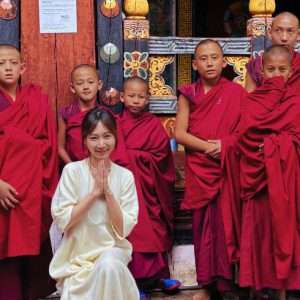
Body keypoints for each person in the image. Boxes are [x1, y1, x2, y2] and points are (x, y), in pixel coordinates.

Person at [175, 39, 245, 300]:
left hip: (227, 169)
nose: (209, 62)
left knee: (227, 226)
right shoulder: (188, 94)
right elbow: (180, 134)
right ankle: (206, 284)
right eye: (203, 58)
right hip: (201, 169)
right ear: (194, 64)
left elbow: (246, 132)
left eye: (214, 57)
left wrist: (226, 144)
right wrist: (209, 148)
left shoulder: (237, 94)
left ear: (224, 62)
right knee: (202, 227)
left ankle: (229, 283)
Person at [49, 107, 139, 300]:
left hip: (112, 252)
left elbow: (123, 229)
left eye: (107, 136)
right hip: (76, 259)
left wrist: (107, 193)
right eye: (93, 138)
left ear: (115, 137)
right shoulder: (72, 172)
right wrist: (94, 193)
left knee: (109, 266)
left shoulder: (125, 177)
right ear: (84, 140)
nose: (101, 144)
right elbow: (64, 221)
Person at [239, 45, 300, 300]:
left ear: (292, 70)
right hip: (257, 180)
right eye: (271, 69)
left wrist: (275, 147)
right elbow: (244, 134)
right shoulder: (251, 100)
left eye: (282, 70)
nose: (276, 75)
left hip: (283, 180)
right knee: (257, 235)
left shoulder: (296, 100)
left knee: (283, 232)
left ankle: (282, 292)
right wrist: (266, 148)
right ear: (262, 71)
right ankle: (254, 289)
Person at [0, 44, 58, 300]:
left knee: (32, 245)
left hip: (34, 187)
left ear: (22, 67)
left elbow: (50, 142)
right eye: (1, 63)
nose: (8, 68)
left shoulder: (35, 99)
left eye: (13, 63)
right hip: (4, 188)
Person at [116, 76, 179, 296]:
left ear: (147, 100)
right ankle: (134, 284)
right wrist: (131, 158)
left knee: (154, 227)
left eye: (140, 97)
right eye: (131, 96)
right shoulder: (115, 122)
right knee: (130, 230)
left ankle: (160, 277)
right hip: (124, 189)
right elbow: (110, 151)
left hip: (149, 186)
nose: (135, 100)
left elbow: (162, 156)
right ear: (122, 97)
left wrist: (135, 158)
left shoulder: (152, 124)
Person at [58, 64, 103, 164]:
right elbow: (60, 147)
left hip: (100, 167)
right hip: (74, 167)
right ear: (72, 88)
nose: (86, 87)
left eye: (90, 82)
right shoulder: (66, 113)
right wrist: (73, 167)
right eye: (80, 83)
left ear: (99, 85)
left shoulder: (105, 114)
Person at [245, 11, 300, 92]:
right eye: (278, 30)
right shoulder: (256, 65)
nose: (284, 38)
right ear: (270, 33)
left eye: (290, 31)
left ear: (298, 35)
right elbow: (250, 99)